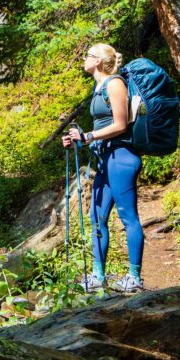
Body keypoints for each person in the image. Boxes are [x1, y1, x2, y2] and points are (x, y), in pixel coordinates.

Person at [62, 43, 144, 293]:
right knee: (97, 218)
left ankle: (134, 277)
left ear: (98, 61)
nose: (84, 59)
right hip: (105, 159)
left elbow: (120, 125)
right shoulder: (98, 87)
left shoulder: (114, 84)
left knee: (128, 217)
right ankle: (98, 275)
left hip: (121, 157)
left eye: (88, 55)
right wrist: (77, 139)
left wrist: (87, 136)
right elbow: (100, 128)